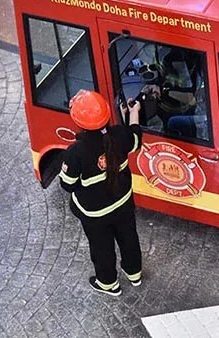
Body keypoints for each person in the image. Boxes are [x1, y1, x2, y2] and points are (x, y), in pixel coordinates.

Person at [59, 90, 144, 296]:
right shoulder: (119, 135)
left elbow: (68, 185)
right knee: (129, 237)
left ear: (78, 121)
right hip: (123, 202)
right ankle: (134, 273)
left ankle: (108, 284)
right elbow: (136, 139)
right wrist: (133, 113)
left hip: (95, 214)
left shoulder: (75, 152)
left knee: (102, 248)